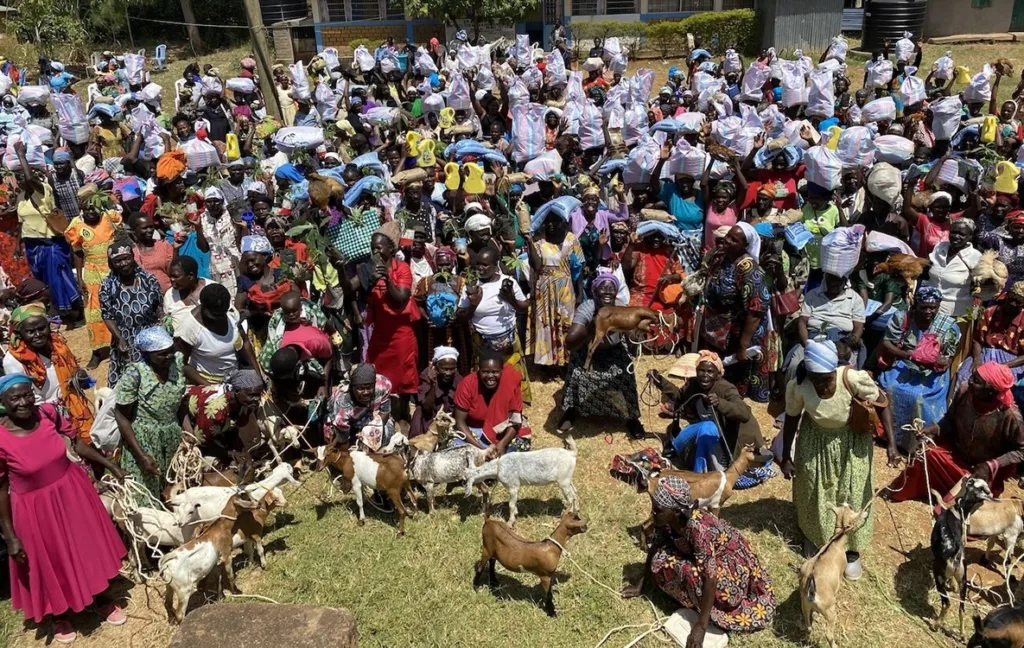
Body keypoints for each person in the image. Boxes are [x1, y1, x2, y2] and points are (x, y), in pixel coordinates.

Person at [0, 374, 128, 643]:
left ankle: (101, 597)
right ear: (3, 402)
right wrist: (10, 535)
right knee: (50, 558)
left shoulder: (47, 414)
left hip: (71, 492)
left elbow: (78, 444)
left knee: (84, 546)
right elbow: (1, 489)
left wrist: (109, 465)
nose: (23, 402)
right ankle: (59, 614)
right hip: (34, 508)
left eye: (27, 395)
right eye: (15, 398)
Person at [781, 341, 897, 577]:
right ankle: (816, 538)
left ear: (834, 369)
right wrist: (785, 456)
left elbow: (882, 405)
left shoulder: (852, 379)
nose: (822, 385)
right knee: (815, 489)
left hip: (852, 442)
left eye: (826, 378)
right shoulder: (800, 385)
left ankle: (851, 551)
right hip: (816, 440)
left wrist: (892, 445)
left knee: (853, 492)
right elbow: (792, 419)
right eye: (816, 379)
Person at [622, 476, 777, 643]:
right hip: (706, 557)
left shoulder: (698, 530)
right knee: (659, 561)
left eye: (658, 509)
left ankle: (706, 609)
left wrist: (701, 626)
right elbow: (655, 548)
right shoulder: (665, 520)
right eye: (654, 506)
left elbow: (711, 577)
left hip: (731, 566)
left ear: (675, 511)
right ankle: (693, 599)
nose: (653, 512)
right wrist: (641, 584)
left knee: (701, 581)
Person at [890, 361, 1024, 501]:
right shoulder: (965, 391)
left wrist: (991, 465)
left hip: (980, 473)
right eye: (973, 377)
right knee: (926, 454)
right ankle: (905, 491)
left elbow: (1021, 451)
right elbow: (949, 420)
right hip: (955, 457)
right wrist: (934, 429)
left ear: (991, 391)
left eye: (976, 381)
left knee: (969, 500)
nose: (970, 381)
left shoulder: (1010, 416)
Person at [652, 350, 766, 469]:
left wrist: (720, 403)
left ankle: (699, 472)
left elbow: (744, 413)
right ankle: (677, 451)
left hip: (735, 442)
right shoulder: (693, 384)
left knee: (706, 427)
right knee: (702, 428)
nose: (705, 375)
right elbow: (679, 396)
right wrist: (661, 381)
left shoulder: (726, 389)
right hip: (712, 436)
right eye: (701, 370)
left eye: (710, 372)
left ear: (718, 375)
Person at [561, 273, 643, 437]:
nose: (607, 291)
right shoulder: (586, 308)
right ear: (594, 291)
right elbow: (570, 342)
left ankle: (633, 417)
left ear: (616, 292)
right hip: (588, 350)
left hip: (613, 350)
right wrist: (594, 324)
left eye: (611, 288)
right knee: (576, 371)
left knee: (627, 373)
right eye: (603, 287)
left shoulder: (622, 308)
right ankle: (570, 410)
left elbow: (632, 339)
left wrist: (637, 331)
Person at [878, 285, 961, 445]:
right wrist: (908, 355)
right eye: (924, 307)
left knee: (918, 397)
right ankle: (889, 437)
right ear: (916, 305)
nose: (928, 312)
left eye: (933, 308)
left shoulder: (949, 327)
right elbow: (888, 343)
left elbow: (949, 356)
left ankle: (918, 442)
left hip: (932, 372)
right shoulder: (902, 318)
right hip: (904, 362)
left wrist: (942, 362)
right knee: (889, 387)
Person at [700, 224, 774, 402]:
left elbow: (756, 309)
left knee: (735, 376)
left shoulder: (748, 269)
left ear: (744, 245)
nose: (727, 240)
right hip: (719, 328)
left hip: (741, 332)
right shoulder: (721, 257)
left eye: (734, 239)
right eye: (728, 236)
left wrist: (743, 345)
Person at [3, 304, 95, 442]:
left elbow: (71, 371)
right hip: (47, 417)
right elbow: (28, 399)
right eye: (31, 331)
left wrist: (78, 376)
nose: (38, 334)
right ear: (19, 333)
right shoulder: (14, 360)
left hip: (74, 407)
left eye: (42, 328)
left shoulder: (57, 346)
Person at [114, 327, 186, 500]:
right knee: (145, 498)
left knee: (173, 494)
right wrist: (141, 455)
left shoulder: (177, 362)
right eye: (161, 354)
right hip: (143, 441)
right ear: (146, 354)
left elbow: (179, 404)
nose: (168, 357)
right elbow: (121, 415)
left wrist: (187, 432)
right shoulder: (136, 374)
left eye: (170, 352)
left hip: (172, 438)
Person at [458, 246, 531, 403]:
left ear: (495, 264)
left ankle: (514, 406)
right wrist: (473, 305)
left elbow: (524, 308)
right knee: (487, 379)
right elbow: (461, 317)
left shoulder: (508, 282)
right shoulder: (472, 286)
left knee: (510, 375)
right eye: (478, 264)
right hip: (482, 342)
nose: (480, 268)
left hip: (508, 340)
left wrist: (510, 299)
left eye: (485, 265)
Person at [63, 188, 119, 369]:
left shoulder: (109, 218)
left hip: (113, 270)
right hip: (92, 273)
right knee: (93, 312)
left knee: (116, 307)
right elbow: (78, 253)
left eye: (94, 208)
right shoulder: (76, 225)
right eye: (87, 209)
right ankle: (97, 351)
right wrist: (79, 278)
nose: (91, 212)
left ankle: (118, 345)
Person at [525, 204, 584, 368]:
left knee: (566, 322)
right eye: (547, 221)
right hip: (544, 287)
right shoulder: (538, 241)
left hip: (565, 287)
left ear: (562, 222)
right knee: (546, 322)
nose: (550, 224)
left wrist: (580, 294)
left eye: (554, 221)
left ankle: (566, 361)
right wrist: (530, 243)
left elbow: (579, 267)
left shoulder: (572, 239)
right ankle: (548, 363)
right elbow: (536, 265)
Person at [99, 239, 163, 386]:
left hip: (150, 335)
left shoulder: (148, 279)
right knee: (130, 382)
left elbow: (159, 306)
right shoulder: (107, 286)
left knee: (155, 378)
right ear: (111, 264)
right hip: (124, 338)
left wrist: (163, 325)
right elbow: (107, 316)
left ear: (132, 258)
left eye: (126, 258)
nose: (123, 264)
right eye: (118, 261)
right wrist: (119, 338)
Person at [784, 272, 866, 384]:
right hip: (814, 339)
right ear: (825, 280)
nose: (833, 286)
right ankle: (792, 396)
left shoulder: (855, 298)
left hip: (842, 341)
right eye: (830, 283)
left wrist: (848, 344)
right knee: (794, 365)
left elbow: (858, 328)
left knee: (849, 373)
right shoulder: (813, 295)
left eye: (837, 284)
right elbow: (802, 322)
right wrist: (807, 344)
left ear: (845, 283)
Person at [453, 350, 532, 456]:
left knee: (520, 447)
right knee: (454, 446)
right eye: (485, 372)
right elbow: (460, 422)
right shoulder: (467, 385)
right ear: (478, 370)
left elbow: (515, 420)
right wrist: (482, 450)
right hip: (475, 433)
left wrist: (502, 444)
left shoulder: (510, 382)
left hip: (504, 432)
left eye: (495, 372)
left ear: (502, 371)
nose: (490, 376)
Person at [176, 283, 257, 385]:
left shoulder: (230, 313)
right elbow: (181, 363)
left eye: (223, 313)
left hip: (237, 374)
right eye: (215, 315)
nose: (221, 317)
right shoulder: (189, 328)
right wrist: (211, 388)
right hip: (208, 382)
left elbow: (245, 342)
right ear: (203, 307)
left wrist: (257, 375)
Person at [956, 282, 1024, 399]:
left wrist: (1004, 366)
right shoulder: (990, 312)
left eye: (1018, 302)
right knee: (965, 376)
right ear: (1005, 296)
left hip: (1011, 361)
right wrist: (977, 360)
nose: (1013, 304)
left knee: (1003, 385)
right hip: (984, 354)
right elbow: (978, 340)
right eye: (1011, 299)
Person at [624, 223, 685, 350]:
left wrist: (670, 278)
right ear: (647, 236)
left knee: (675, 317)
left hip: (664, 296)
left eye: (660, 236)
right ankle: (638, 350)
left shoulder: (670, 252)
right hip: (641, 294)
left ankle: (668, 350)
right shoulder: (640, 249)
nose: (656, 239)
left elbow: (680, 275)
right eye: (653, 235)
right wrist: (631, 245)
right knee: (633, 317)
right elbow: (627, 265)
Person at [184, 369, 265, 463]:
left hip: (209, 426)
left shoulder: (246, 403)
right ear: (237, 391)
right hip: (186, 417)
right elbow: (202, 444)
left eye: (259, 395)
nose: (257, 399)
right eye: (252, 395)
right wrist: (231, 454)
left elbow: (236, 429)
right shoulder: (215, 410)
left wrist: (239, 451)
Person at [414, 246, 471, 376]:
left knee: (459, 364)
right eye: (440, 265)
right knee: (432, 362)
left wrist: (457, 317)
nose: (443, 268)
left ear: (453, 263)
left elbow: (467, 305)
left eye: (447, 264)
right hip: (432, 333)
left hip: (457, 332)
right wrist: (426, 318)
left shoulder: (460, 282)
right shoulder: (426, 282)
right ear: (435, 264)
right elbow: (418, 303)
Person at [326, 363, 395, 450]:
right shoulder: (342, 404)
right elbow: (343, 439)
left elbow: (385, 413)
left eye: (369, 387)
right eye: (361, 388)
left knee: (387, 433)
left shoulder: (383, 385)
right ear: (352, 387)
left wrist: (369, 435)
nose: (366, 392)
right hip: (347, 426)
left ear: (374, 384)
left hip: (372, 418)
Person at [924, 218, 981, 318]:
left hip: (957, 314)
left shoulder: (975, 256)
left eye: (962, 234)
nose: (956, 237)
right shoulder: (940, 247)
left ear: (970, 237)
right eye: (953, 232)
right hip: (929, 310)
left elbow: (981, 287)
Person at [410, 346, 463, 439]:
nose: (448, 373)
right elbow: (427, 407)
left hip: (450, 420)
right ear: (436, 367)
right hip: (429, 418)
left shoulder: (459, 380)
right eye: (445, 369)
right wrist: (433, 384)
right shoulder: (426, 376)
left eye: (452, 369)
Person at [129, 211, 175, 293]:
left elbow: (172, 271)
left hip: (170, 295)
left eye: (151, 227)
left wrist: (176, 249)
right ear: (134, 231)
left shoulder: (164, 245)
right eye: (145, 228)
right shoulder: (132, 253)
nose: (150, 230)